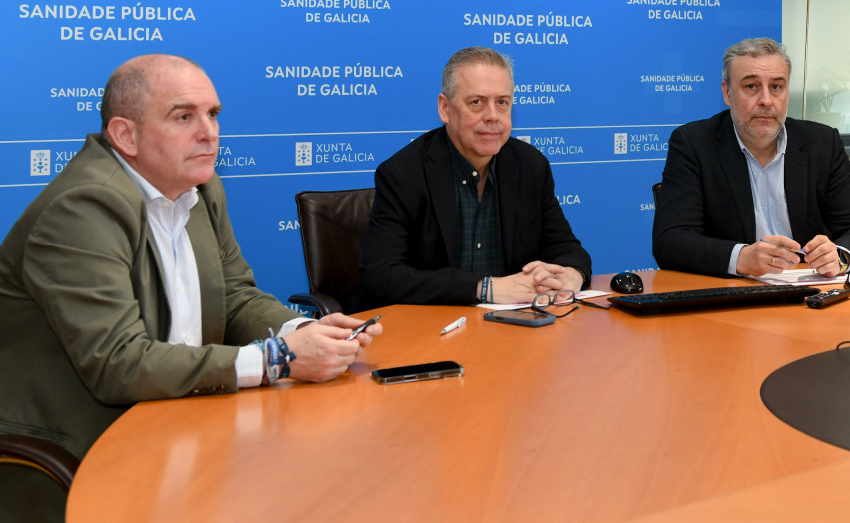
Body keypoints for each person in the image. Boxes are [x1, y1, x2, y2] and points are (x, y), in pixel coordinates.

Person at [0, 54, 383, 469]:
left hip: (183, 419)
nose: (210, 134)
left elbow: (234, 297)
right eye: (184, 117)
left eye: (213, 114)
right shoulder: (80, 210)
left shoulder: (199, 186)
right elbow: (118, 363)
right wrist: (277, 359)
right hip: (84, 450)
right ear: (126, 135)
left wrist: (305, 332)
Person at [357, 46, 591, 306]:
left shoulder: (530, 166)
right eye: (476, 102)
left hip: (515, 330)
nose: (492, 116)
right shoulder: (403, 173)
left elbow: (568, 249)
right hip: (432, 333)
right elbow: (380, 277)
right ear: (445, 108)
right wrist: (484, 288)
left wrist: (572, 274)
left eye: (502, 102)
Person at [652, 37, 850, 278]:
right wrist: (740, 257)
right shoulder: (694, 144)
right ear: (727, 93)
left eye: (776, 87)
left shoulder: (822, 143)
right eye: (751, 86)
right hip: (730, 297)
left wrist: (839, 256)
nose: (766, 100)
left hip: (808, 298)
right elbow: (670, 241)